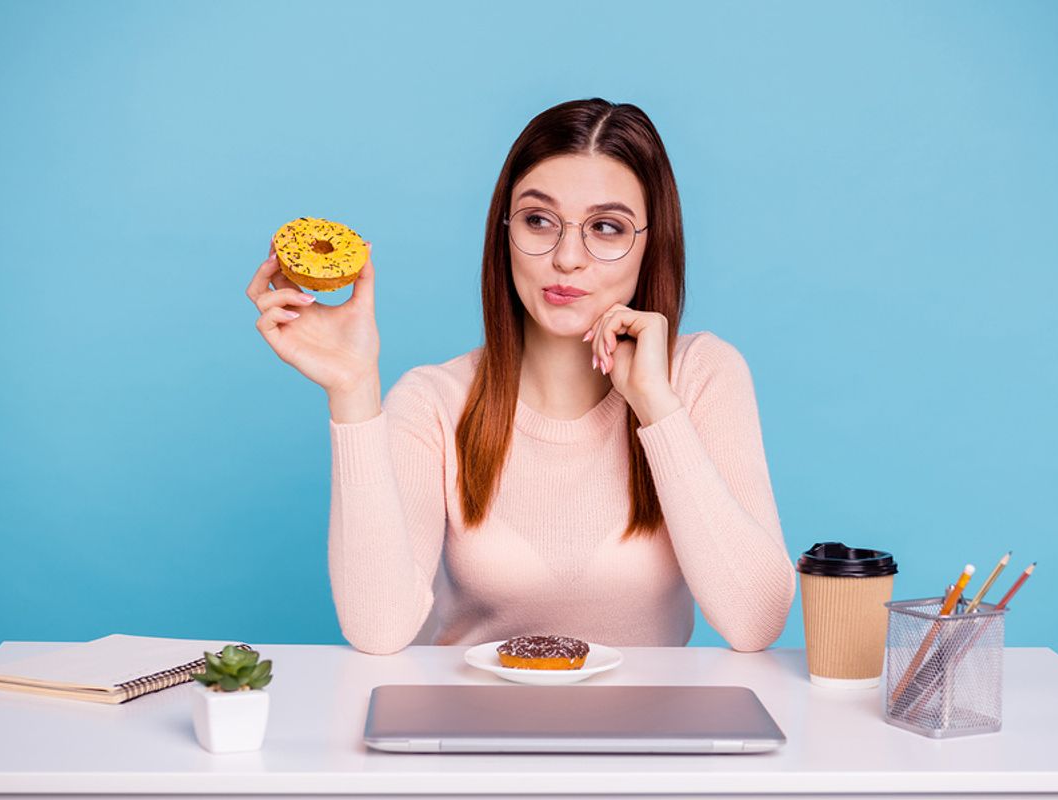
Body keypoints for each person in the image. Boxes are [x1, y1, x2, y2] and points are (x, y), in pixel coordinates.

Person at [246, 98, 795, 655]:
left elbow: (755, 623)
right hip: (470, 727)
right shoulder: (434, 400)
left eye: (607, 228)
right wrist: (353, 389)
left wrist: (656, 407)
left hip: (644, 731)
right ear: (504, 231)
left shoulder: (702, 374)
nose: (567, 258)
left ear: (652, 243)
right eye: (539, 221)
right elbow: (378, 630)